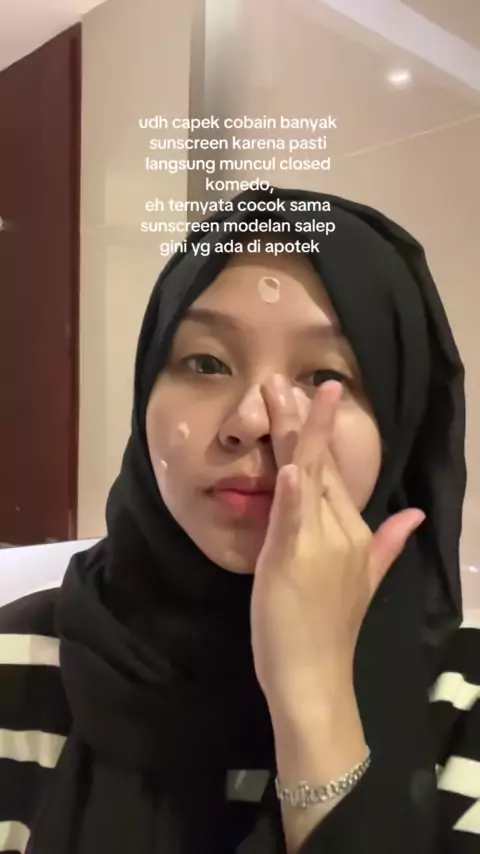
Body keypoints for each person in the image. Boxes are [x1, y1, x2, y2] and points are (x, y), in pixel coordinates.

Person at [0, 186, 476, 854]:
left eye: (324, 376)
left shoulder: (463, 700)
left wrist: (315, 701)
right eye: (205, 363)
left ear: (400, 421)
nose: (252, 420)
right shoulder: (16, 664)